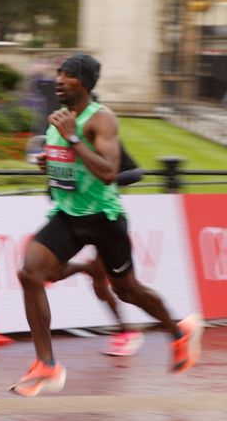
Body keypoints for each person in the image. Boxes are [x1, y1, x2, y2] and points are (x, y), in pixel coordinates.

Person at [13, 53, 204, 395]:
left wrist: (72, 140)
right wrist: (52, 162)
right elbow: (70, 163)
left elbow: (108, 172)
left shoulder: (101, 119)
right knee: (30, 274)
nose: (59, 79)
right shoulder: (58, 117)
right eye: (58, 73)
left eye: (68, 75)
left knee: (126, 289)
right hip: (69, 215)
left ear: (84, 83)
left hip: (104, 219)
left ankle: (179, 330)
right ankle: (47, 363)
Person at [41, 141, 147, 356]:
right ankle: (87, 270)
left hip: (105, 219)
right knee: (57, 273)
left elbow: (136, 173)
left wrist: (104, 182)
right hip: (73, 218)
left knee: (114, 286)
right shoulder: (62, 141)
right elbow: (55, 185)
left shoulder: (104, 139)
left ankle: (128, 330)